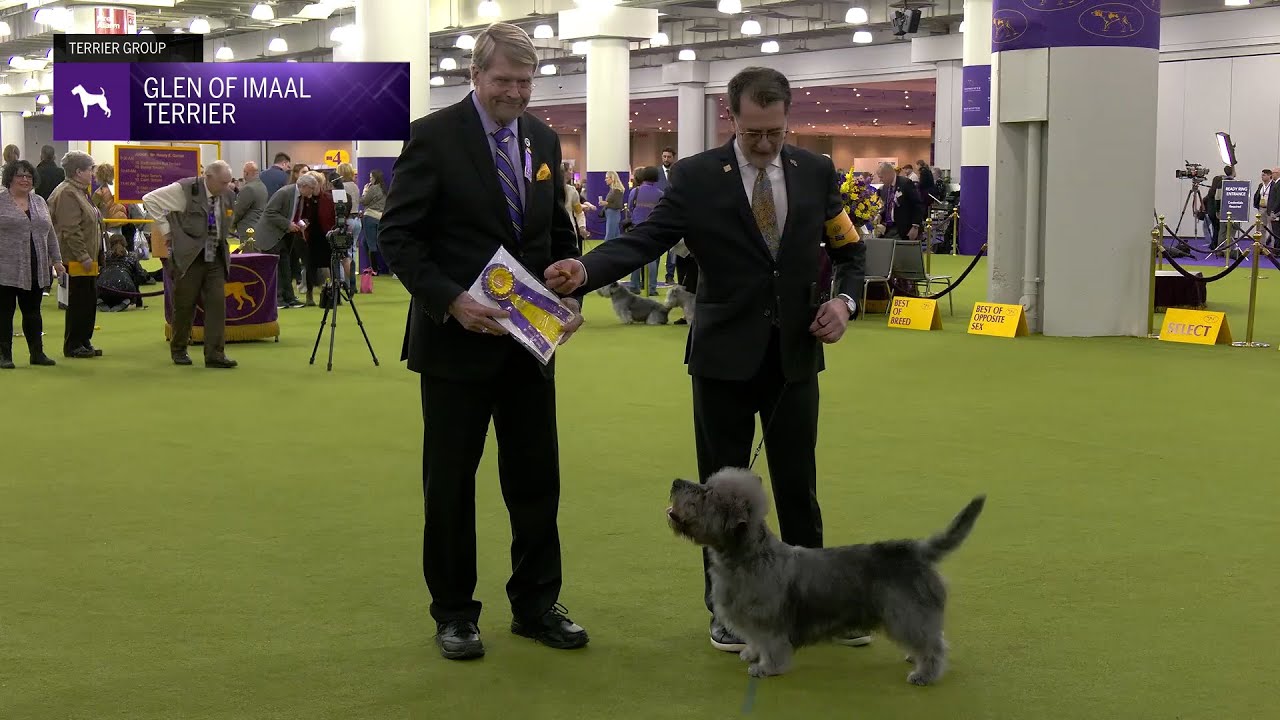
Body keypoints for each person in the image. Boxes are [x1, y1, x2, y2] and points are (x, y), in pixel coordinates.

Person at [544, 66, 868, 653]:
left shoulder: (817, 172)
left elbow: (850, 252)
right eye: (753, 134)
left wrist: (843, 302)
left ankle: (818, 604)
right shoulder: (696, 178)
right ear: (732, 117)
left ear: (787, 119)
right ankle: (726, 611)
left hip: (795, 356)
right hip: (721, 357)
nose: (766, 145)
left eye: (775, 132)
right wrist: (586, 271)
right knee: (720, 497)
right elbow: (646, 240)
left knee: (799, 487)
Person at [379, 22, 588, 662]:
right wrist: (449, 299)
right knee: (450, 486)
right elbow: (399, 238)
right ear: (475, 75)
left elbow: (557, 238)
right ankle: (454, 613)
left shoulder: (543, 139)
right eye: (504, 81)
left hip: (530, 346)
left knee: (535, 483)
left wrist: (570, 286)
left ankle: (535, 605)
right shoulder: (433, 136)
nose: (516, 94)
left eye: (525, 83)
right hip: (455, 346)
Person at [142, 161, 238, 368]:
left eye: (228, 182)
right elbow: (149, 199)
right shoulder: (183, 189)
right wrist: (167, 230)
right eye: (223, 182)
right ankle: (179, 350)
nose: (226, 187)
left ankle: (215, 355)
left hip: (216, 256)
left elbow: (229, 220)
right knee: (185, 305)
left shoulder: (228, 195)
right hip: (189, 257)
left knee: (217, 305)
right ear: (208, 177)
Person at [0, 159, 63, 368]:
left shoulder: (39, 202)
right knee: (4, 313)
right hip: (5, 267)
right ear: (10, 178)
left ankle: (37, 353)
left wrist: (57, 260)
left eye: (28, 176)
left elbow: (50, 233)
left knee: (33, 312)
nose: (25, 179)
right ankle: (4, 356)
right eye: (20, 175)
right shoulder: (1, 201)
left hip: (36, 266)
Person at [48, 151, 103, 359]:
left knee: (88, 300)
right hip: (75, 257)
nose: (93, 173)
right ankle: (73, 344)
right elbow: (70, 229)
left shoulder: (81, 191)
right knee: (78, 301)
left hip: (89, 255)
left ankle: (83, 340)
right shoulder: (67, 193)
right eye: (90, 169)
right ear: (78, 171)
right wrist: (83, 256)